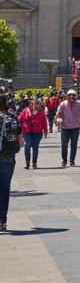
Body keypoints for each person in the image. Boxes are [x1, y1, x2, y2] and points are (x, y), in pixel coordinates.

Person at [0, 96, 24, 232]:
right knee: (4, 190)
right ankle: (2, 221)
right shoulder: (12, 121)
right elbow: (21, 143)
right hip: (7, 159)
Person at [54, 89, 80, 168]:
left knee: (74, 145)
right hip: (65, 128)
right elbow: (58, 114)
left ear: (76, 97)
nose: (71, 98)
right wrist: (56, 124)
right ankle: (64, 161)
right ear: (67, 97)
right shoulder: (63, 104)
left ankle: (72, 161)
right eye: (69, 96)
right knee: (64, 145)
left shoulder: (79, 105)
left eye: (73, 96)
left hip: (75, 128)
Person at [19, 99, 46, 169]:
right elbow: (20, 119)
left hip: (37, 132)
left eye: (36, 103)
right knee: (27, 145)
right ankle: (27, 162)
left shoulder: (41, 112)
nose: (34, 105)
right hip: (26, 131)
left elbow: (44, 122)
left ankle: (34, 162)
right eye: (32, 103)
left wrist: (45, 131)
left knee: (35, 147)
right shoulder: (25, 110)